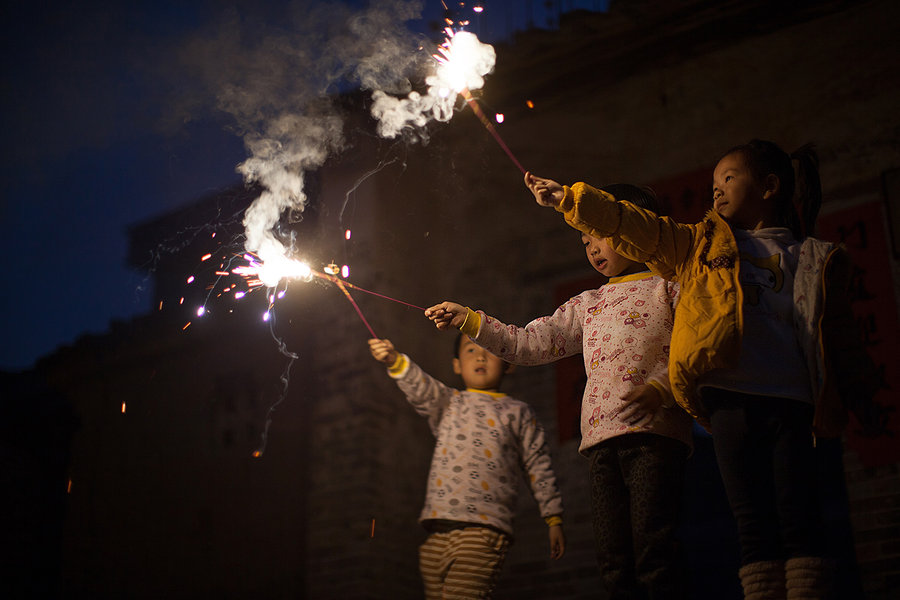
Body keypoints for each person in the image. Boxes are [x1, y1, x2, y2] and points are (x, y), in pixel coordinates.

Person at [520, 140, 879, 599]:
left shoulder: (811, 257)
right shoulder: (702, 247)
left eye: (728, 178)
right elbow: (638, 227)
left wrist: (862, 393)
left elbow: (841, 335)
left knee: (798, 512)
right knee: (750, 520)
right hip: (729, 402)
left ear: (769, 186)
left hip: (793, 402)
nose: (716, 191)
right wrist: (571, 200)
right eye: (712, 184)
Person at [425, 184, 693, 600]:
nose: (592, 249)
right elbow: (528, 343)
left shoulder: (672, 288)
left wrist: (662, 389)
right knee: (614, 560)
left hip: (656, 436)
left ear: (636, 227)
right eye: (585, 241)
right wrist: (469, 320)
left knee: (654, 551)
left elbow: (694, 354)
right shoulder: (589, 303)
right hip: (601, 446)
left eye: (598, 235)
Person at [368, 334, 565, 599]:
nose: (481, 356)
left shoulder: (518, 413)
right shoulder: (449, 403)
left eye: (491, 350)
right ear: (457, 365)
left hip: (482, 531)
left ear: (509, 364)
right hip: (436, 533)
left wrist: (553, 518)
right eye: (470, 350)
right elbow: (421, 386)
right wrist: (394, 360)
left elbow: (538, 465)